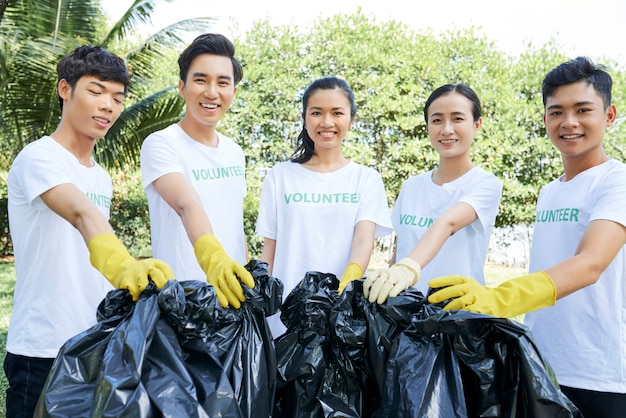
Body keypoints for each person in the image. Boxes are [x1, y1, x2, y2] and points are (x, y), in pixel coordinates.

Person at [428, 56, 626, 417]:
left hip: (602, 374)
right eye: (556, 112)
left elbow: (590, 263)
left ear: (609, 116)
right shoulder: (550, 191)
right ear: (545, 119)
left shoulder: (617, 181)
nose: (569, 122)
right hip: (542, 363)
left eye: (583, 110)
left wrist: (499, 299)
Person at [4, 45, 175, 418]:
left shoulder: (99, 175)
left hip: (95, 343)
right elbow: (81, 214)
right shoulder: (40, 157)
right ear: (65, 89)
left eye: (117, 97)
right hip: (43, 349)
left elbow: (92, 240)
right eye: (96, 91)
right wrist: (122, 263)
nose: (108, 106)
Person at [255, 76, 393, 337]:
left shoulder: (366, 179)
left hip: (338, 314)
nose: (327, 122)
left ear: (351, 119)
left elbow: (364, 242)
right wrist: (260, 300)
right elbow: (270, 250)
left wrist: (347, 286)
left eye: (337, 113)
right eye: (316, 112)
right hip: (282, 317)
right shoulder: (280, 175)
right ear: (305, 118)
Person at [140, 33, 254, 309]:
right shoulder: (161, 144)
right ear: (182, 87)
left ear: (233, 92)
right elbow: (186, 204)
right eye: (201, 80)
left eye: (222, 82)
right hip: (184, 303)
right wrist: (214, 260)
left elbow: (233, 225)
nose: (212, 92)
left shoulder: (234, 152)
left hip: (233, 298)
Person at [363, 83, 503, 304]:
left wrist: (408, 268)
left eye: (457, 119)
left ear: (476, 125)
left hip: (456, 318)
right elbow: (400, 252)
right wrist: (392, 275)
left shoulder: (485, 184)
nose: (446, 129)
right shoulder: (411, 186)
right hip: (405, 318)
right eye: (437, 120)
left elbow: (448, 223)